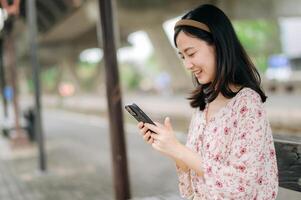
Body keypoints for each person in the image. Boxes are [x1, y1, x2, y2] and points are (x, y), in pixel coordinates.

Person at [137, 4, 278, 200]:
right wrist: (171, 148)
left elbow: (242, 187)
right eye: (183, 56)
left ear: (218, 44)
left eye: (191, 53)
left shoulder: (247, 104)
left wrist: (180, 150)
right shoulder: (204, 105)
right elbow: (192, 187)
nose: (187, 64)